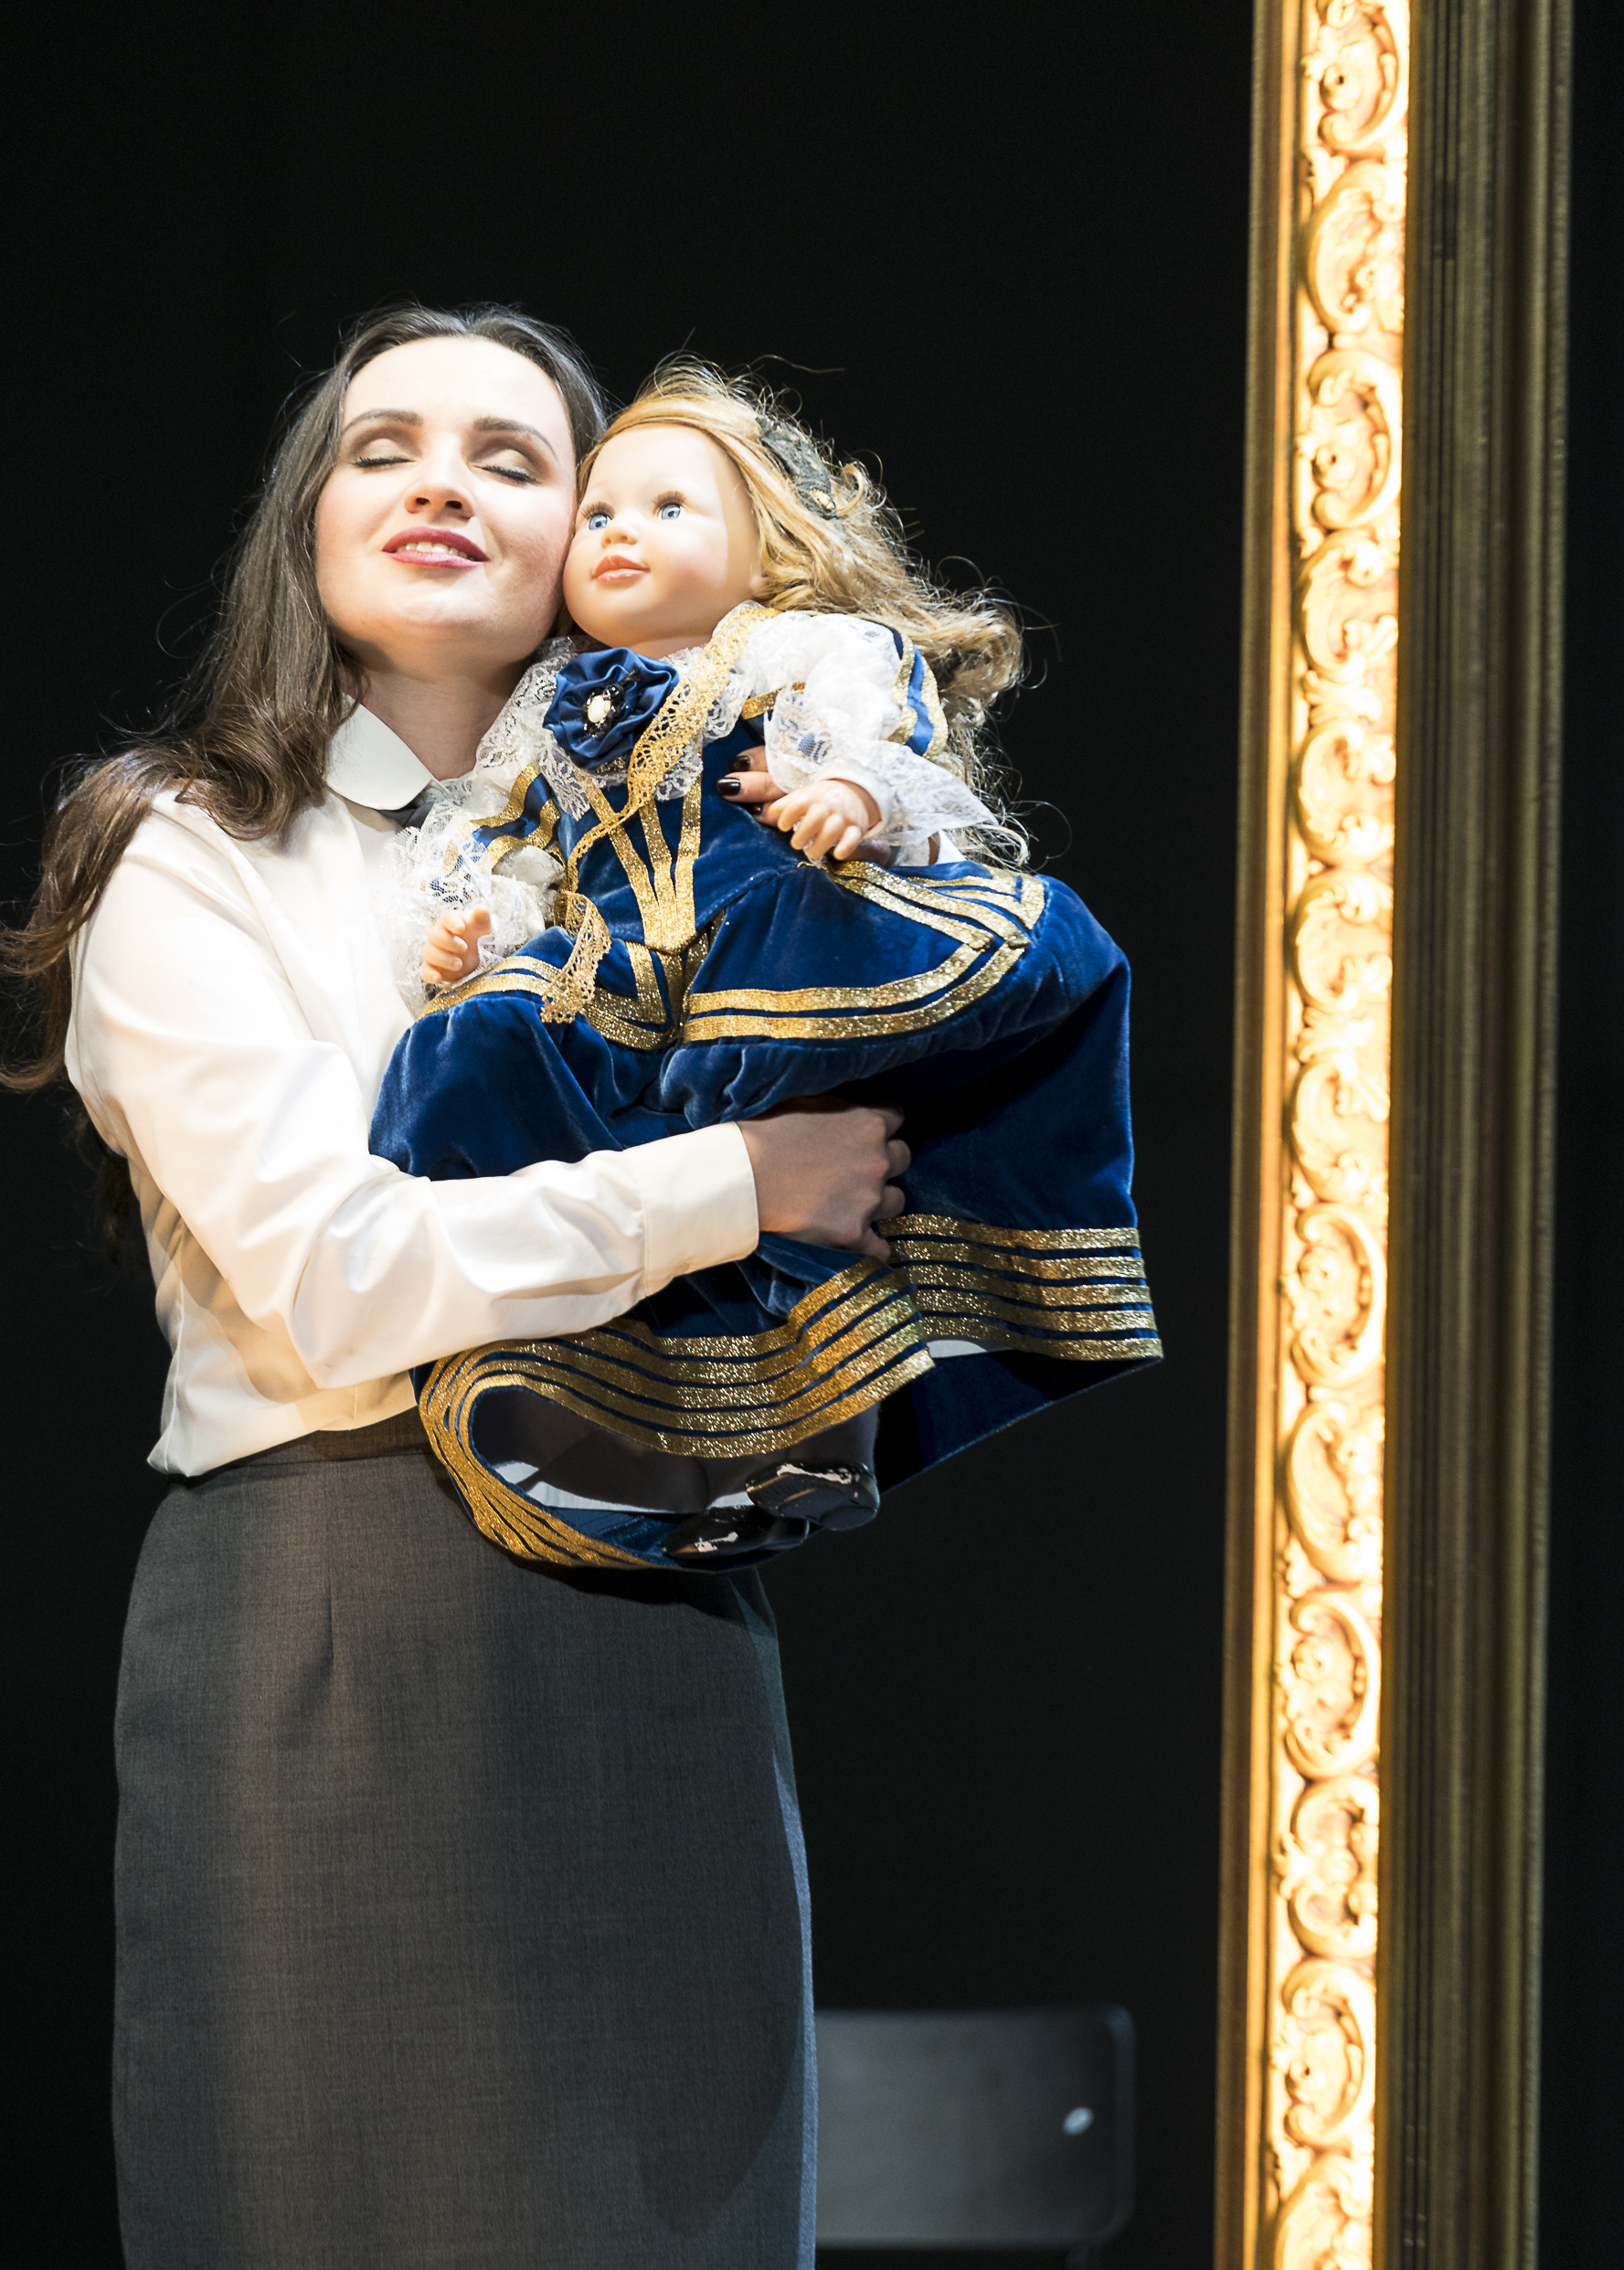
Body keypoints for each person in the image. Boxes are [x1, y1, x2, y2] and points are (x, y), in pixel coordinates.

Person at [0, 302, 911, 2270]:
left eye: (512, 459)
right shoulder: (190, 852)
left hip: (652, 1611)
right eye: (382, 444)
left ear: (605, 535)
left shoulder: (718, 830)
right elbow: (334, 1277)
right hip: (339, 1619)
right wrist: (727, 1184)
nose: (440, 485)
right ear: (305, 520)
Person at [366, 366, 1161, 1575]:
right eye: (598, 514)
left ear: (764, 544)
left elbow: (892, 745)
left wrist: (847, 793)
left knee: (814, 1149)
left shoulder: (794, 653)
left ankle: (835, 1432)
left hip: (770, 940)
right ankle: (651, 1430)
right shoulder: (547, 711)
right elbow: (504, 841)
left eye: (668, 508)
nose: (621, 532)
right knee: (479, 1050)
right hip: (625, 974)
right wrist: (477, 930)